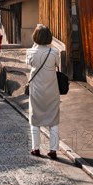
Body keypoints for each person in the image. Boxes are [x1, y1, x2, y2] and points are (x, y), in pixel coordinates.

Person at [26, 24, 60, 159]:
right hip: (52, 88)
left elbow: (28, 63)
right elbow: (57, 64)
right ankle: (53, 149)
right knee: (54, 119)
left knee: (35, 118)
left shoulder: (31, 52)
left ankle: (36, 148)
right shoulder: (54, 52)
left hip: (36, 89)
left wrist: (35, 45)